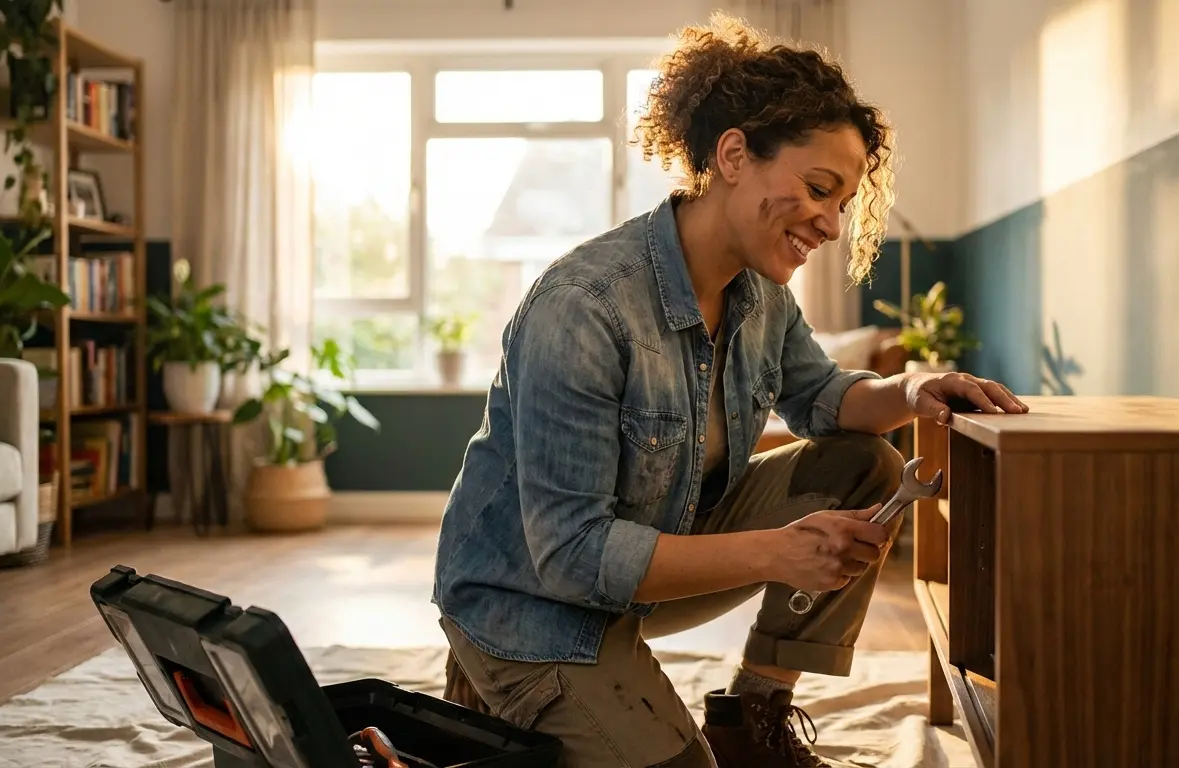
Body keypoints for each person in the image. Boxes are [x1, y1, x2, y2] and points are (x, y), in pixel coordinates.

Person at [432, 12, 1027, 768]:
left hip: (647, 564)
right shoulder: (584, 307)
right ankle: (497, 683)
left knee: (865, 465)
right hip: (531, 602)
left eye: (843, 203)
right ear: (735, 155)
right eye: (818, 188)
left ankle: (752, 719)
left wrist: (912, 389)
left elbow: (824, 396)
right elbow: (573, 555)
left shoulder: (761, 293)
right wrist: (777, 554)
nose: (832, 224)